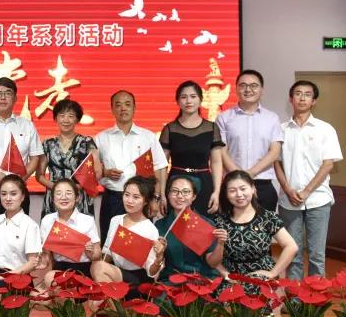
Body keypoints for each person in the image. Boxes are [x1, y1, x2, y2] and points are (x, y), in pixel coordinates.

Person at [0, 78, 43, 280]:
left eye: (8, 93)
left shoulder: (26, 125)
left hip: (18, 191)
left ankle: (20, 285)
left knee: (20, 241)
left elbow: (35, 156)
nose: (3, 97)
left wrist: (22, 178)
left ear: (15, 98)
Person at [274, 80, 342, 280]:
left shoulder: (325, 129)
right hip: (288, 200)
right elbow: (276, 163)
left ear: (314, 101)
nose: (302, 98)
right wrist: (288, 189)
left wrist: (306, 191)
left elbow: (328, 164)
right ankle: (294, 296)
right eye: (298, 93)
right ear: (291, 99)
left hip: (318, 199)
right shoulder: (280, 129)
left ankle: (316, 296)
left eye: (307, 94)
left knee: (316, 255)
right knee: (292, 252)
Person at [92, 176, 164, 317]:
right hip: (118, 276)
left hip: (138, 279)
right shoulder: (116, 220)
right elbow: (107, 254)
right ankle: (121, 315)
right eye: (126, 195)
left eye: (136, 197)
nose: (129, 200)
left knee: (99, 267)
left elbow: (152, 272)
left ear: (145, 201)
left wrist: (159, 258)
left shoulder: (150, 229)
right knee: (97, 266)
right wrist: (99, 286)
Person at [95, 90, 168, 240]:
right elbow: (91, 170)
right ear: (112, 109)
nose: (123, 108)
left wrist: (155, 198)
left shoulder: (148, 137)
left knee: (141, 243)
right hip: (113, 198)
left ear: (134, 108)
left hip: (142, 199)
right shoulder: (101, 138)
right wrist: (105, 172)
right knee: (110, 242)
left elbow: (159, 168)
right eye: (118, 105)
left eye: (127, 104)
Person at [216, 70, 284, 209]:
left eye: (254, 85)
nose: (248, 89)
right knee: (231, 223)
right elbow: (222, 151)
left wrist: (249, 174)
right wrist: (240, 177)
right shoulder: (224, 117)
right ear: (236, 88)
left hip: (263, 185)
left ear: (261, 90)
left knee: (264, 224)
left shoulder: (272, 118)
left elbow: (274, 152)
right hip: (232, 185)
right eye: (243, 85)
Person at [214, 170, 298, 281]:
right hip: (231, 279)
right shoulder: (219, 221)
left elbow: (291, 246)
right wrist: (226, 275)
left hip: (262, 279)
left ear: (253, 189)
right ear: (226, 194)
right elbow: (210, 256)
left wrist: (273, 273)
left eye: (243, 189)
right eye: (232, 191)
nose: (239, 194)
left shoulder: (267, 217)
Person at [159, 81, 225, 215]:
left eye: (193, 96)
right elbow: (162, 166)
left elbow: (216, 162)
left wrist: (217, 192)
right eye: (184, 97)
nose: (188, 101)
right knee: (176, 224)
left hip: (204, 183)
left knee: (204, 224)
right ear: (178, 101)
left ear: (200, 100)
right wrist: (161, 194)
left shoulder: (212, 128)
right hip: (176, 186)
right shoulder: (169, 129)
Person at [155, 175, 225, 284]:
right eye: (175, 191)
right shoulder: (160, 225)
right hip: (171, 280)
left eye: (186, 192)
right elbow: (154, 265)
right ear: (168, 194)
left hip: (201, 279)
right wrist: (159, 255)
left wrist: (220, 244)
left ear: (194, 196)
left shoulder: (205, 224)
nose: (180, 196)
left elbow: (212, 263)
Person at [37, 99, 101, 217]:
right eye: (62, 115)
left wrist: (76, 188)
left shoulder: (87, 142)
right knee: (53, 228)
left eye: (71, 116)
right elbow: (39, 175)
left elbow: (97, 172)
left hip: (80, 198)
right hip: (55, 199)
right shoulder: (47, 144)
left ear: (77, 119)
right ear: (56, 118)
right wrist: (57, 188)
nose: (66, 120)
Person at [0, 175, 41, 290]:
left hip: (19, 277)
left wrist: (9, 276)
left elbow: (32, 262)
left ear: (23, 196)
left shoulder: (30, 225)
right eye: (3, 194)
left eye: (13, 194)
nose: (8, 198)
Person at [37, 178, 100, 281]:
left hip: (83, 268)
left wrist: (91, 253)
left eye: (68, 193)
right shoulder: (47, 220)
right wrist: (42, 260)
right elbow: (47, 255)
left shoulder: (87, 220)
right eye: (58, 193)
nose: (63, 197)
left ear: (77, 198)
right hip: (59, 268)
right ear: (52, 198)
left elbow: (98, 255)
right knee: (49, 278)